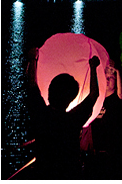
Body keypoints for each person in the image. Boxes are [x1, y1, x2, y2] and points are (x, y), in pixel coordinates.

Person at [26, 47, 101, 180]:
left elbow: (31, 85)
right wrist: (93, 67)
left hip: (43, 174)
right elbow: (94, 95)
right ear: (71, 98)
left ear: (49, 90)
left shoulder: (41, 114)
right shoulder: (72, 120)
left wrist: (32, 59)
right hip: (69, 174)